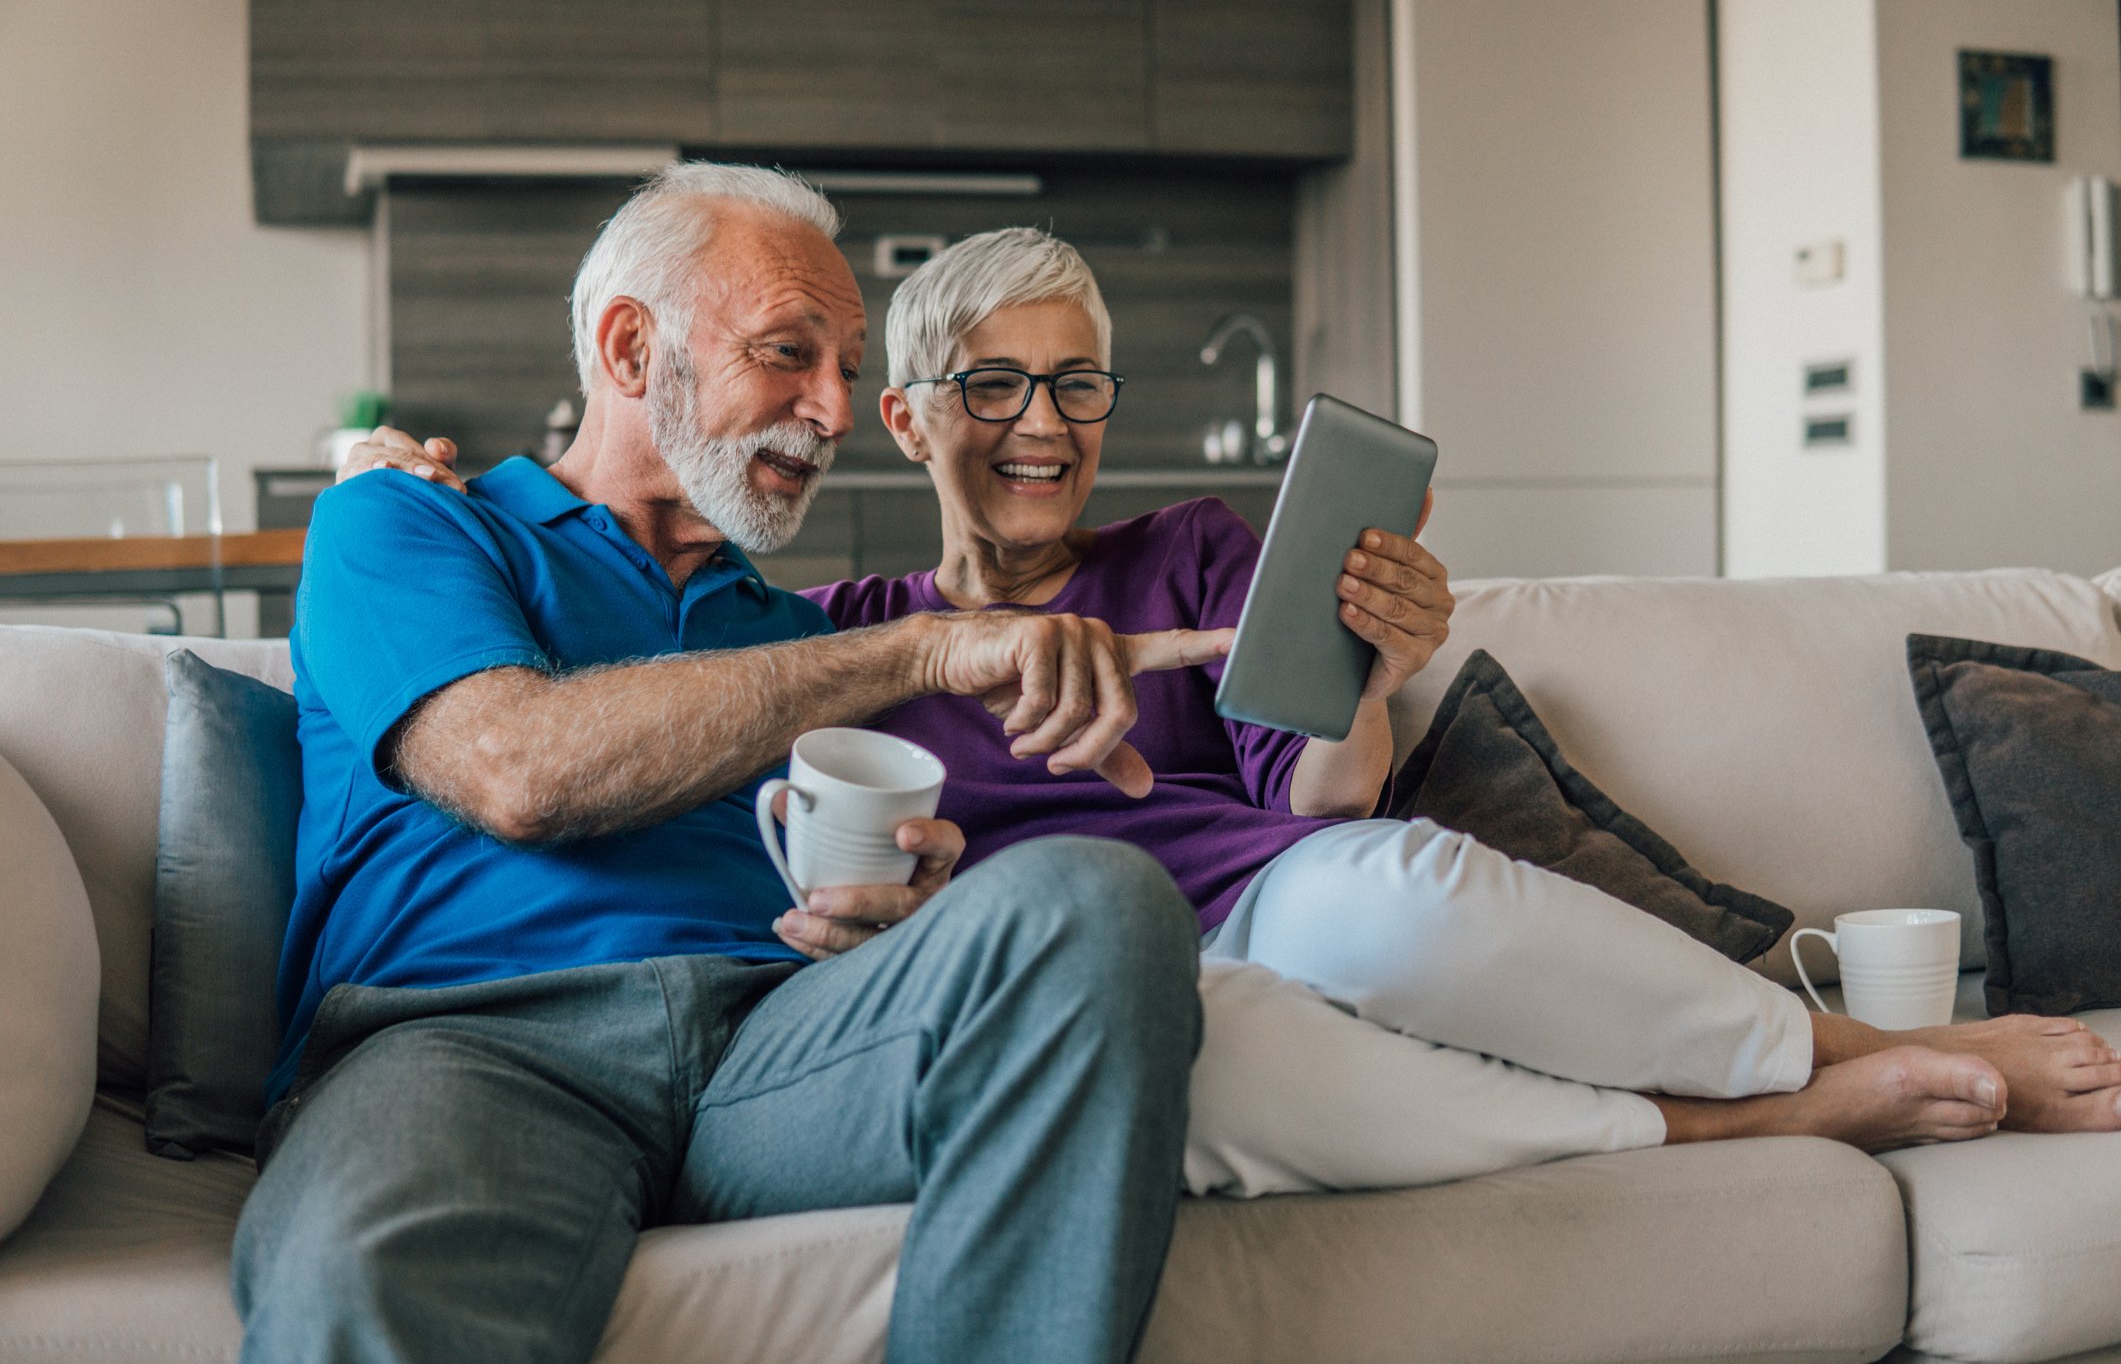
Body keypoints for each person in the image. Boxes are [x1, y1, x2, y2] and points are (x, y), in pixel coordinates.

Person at [352, 224, 2121, 1212]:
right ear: (906, 418)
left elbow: (1336, 804)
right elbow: (721, 777)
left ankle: (1812, 1052)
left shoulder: (1202, 553)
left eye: (1076, 382)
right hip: (1101, 987)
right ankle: (1744, 1126)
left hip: (1287, 900)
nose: (1040, 420)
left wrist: (1362, 653)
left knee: (1382, 892)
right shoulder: (836, 631)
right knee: (1186, 1080)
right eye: (992, 384)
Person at [244, 165, 1240, 1364]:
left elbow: (873, 872)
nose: (831, 411)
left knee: (1097, 902)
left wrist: (898, 908)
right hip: (471, 1040)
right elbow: (518, 766)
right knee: (367, 1271)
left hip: (778, 1046)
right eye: (788, 352)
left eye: (849, 370)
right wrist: (919, 649)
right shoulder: (406, 524)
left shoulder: (797, 632)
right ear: (628, 348)